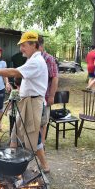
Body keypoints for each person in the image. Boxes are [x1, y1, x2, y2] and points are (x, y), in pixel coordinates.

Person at [0, 31, 48, 152]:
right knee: (15, 135)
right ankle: (12, 164)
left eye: (24, 45)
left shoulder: (36, 61)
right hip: (27, 102)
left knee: (32, 139)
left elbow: (14, 72)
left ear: (34, 45)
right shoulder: (32, 59)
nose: (21, 49)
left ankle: (43, 167)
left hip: (33, 104)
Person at [36, 35, 59, 173]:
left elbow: (55, 78)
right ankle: (36, 145)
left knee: (43, 123)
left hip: (45, 97)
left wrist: (51, 95)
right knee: (36, 123)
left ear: (40, 46)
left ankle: (41, 145)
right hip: (35, 97)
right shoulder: (32, 58)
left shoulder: (48, 58)